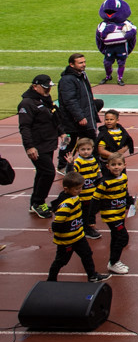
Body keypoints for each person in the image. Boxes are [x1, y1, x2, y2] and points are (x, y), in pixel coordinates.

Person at [47, 171, 110, 282]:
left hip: (78, 235)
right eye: (77, 189)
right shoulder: (66, 204)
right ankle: (51, 280)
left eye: (81, 188)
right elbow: (58, 220)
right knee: (61, 261)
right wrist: (54, 227)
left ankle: (92, 275)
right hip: (67, 239)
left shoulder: (74, 196)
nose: (80, 191)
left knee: (87, 254)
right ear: (66, 189)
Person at [18, 74, 63, 219]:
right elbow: (24, 127)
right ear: (35, 86)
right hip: (37, 145)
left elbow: (54, 118)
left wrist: (62, 133)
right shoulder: (27, 103)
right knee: (49, 172)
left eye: (49, 87)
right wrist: (30, 146)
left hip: (48, 143)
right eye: (45, 88)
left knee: (42, 172)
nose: (48, 90)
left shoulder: (45, 100)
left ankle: (35, 202)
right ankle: (38, 202)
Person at [57, 53, 101, 173]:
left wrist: (90, 100)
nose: (84, 65)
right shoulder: (67, 80)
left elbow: (84, 93)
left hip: (83, 114)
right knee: (70, 143)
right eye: (80, 63)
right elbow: (69, 100)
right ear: (72, 64)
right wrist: (79, 116)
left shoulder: (81, 75)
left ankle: (93, 163)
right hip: (73, 119)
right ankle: (62, 165)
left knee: (90, 141)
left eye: (84, 62)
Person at [95, 151, 134, 274]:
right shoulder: (105, 183)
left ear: (124, 165)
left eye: (119, 164)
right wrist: (90, 219)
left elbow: (125, 192)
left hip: (120, 212)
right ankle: (113, 262)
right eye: (113, 164)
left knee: (116, 237)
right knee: (123, 237)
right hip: (111, 215)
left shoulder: (123, 178)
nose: (116, 167)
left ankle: (114, 261)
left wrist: (129, 202)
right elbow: (95, 199)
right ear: (108, 166)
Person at [95, 0, 137, 86]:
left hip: (121, 47)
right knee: (107, 63)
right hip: (109, 47)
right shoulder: (103, 24)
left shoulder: (126, 23)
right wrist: (107, 30)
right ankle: (108, 76)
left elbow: (133, 30)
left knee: (121, 62)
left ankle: (119, 78)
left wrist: (130, 33)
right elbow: (100, 35)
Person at [71, 137, 102, 240]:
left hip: (92, 193)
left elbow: (97, 173)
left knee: (91, 211)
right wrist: (69, 164)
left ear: (92, 149)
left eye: (88, 149)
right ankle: (86, 229)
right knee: (85, 213)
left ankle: (89, 226)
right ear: (78, 150)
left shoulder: (93, 160)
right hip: (83, 194)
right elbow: (72, 174)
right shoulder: (78, 162)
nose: (86, 152)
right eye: (83, 149)